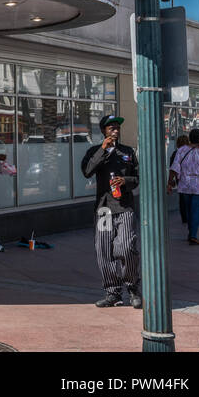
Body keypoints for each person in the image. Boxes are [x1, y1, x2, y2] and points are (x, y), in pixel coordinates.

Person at [80, 114, 142, 308]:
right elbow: (87, 171)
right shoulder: (94, 151)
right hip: (104, 208)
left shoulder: (128, 151)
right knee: (104, 251)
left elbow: (138, 177)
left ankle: (132, 287)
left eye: (117, 127)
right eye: (111, 128)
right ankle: (113, 292)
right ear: (104, 131)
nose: (115, 130)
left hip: (124, 206)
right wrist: (102, 149)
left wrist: (126, 181)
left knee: (125, 247)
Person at [168, 128, 199, 243]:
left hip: (184, 185)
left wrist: (169, 183)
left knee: (188, 210)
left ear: (190, 138)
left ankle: (191, 232)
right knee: (195, 210)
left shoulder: (181, 150)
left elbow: (174, 168)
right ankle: (193, 235)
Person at [169, 134, 190, 225]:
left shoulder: (176, 153)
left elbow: (172, 168)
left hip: (180, 179)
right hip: (192, 179)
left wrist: (170, 181)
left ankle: (185, 218)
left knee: (182, 199)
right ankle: (191, 216)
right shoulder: (192, 151)